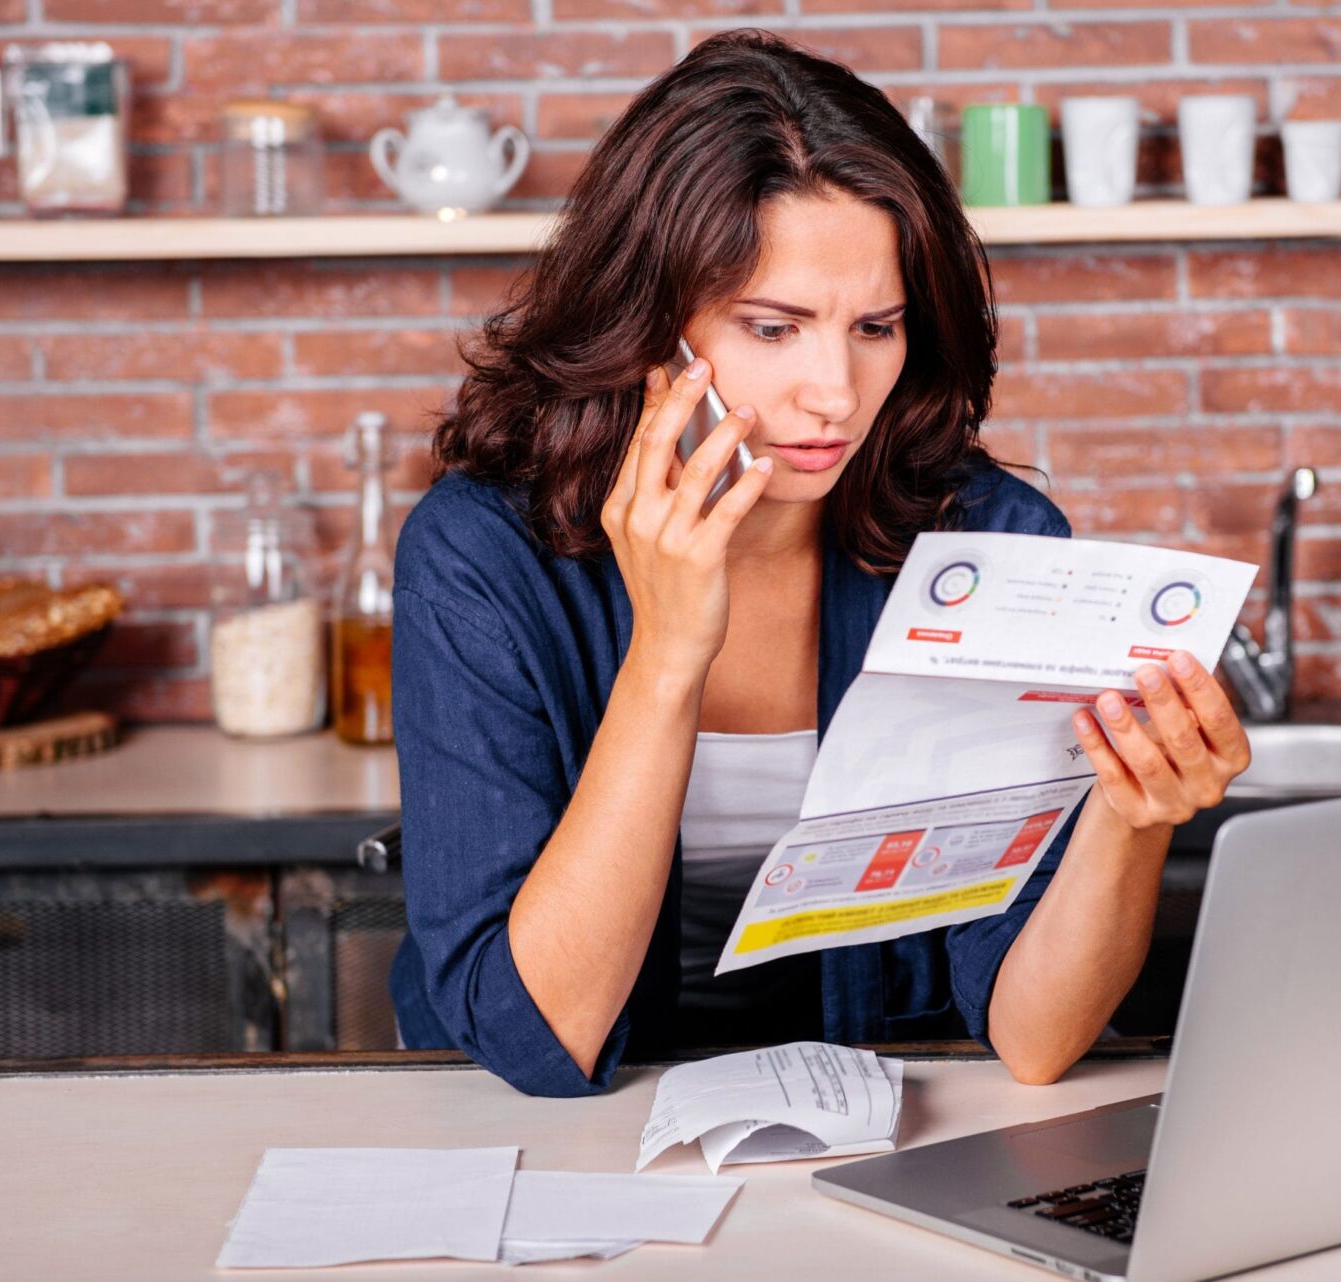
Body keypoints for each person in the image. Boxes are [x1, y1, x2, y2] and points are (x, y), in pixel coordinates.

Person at [389, 30, 1252, 1098]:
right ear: (650, 323)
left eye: (876, 327)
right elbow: (537, 1040)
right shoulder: (481, 557)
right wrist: (666, 654)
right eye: (773, 327)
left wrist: (1131, 815)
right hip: (565, 1136)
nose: (836, 392)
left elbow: (1035, 1040)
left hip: (878, 1111)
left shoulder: (989, 539)